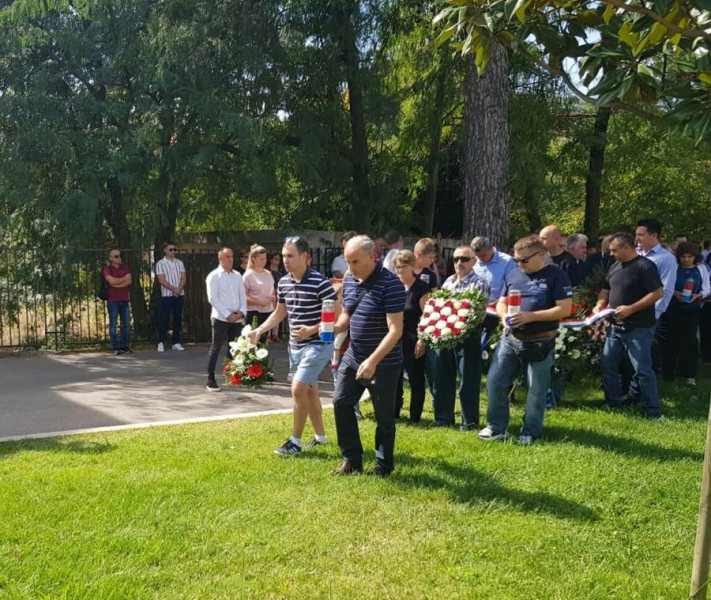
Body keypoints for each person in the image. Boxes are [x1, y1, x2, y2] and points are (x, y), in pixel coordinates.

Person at [478, 235, 572, 445]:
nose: (520, 264)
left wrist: (531, 316)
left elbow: (564, 308)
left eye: (524, 260)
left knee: (536, 388)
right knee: (495, 381)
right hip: (511, 337)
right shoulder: (513, 274)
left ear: (541, 255)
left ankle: (530, 431)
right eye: (517, 260)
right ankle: (496, 427)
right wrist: (504, 317)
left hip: (540, 340)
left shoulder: (556, 275)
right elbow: (502, 302)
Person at [250, 237, 338, 455]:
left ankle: (295, 442)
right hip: (295, 346)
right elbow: (280, 312)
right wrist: (260, 330)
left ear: (305, 257)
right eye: (283, 256)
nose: (285, 260)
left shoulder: (320, 282)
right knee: (310, 391)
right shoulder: (283, 282)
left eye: (290, 256)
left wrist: (312, 329)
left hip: (318, 343)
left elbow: (337, 314)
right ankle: (321, 438)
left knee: (298, 388)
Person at [331, 235, 406, 476]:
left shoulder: (391, 284)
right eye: (347, 262)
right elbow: (347, 315)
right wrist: (330, 328)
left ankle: (383, 466)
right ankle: (352, 459)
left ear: (372, 256)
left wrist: (373, 361)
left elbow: (396, 330)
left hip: (384, 361)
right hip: (354, 355)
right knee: (341, 403)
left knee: (384, 417)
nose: (350, 268)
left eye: (355, 262)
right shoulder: (350, 280)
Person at [594, 232, 664, 419]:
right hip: (615, 327)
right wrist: (600, 303)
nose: (611, 254)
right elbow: (606, 288)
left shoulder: (645, 266)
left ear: (627, 247)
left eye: (614, 250)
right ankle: (613, 401)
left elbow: (657, 293)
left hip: (639, 327)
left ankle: (653, 410)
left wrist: (631, 309)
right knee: (607, 363)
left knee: (642, 369)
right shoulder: (616, 265)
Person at [432, 245, 490, 430]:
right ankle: (443, 419)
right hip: (445, 336)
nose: (459, 263)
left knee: (469, 381)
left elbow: (478, 314)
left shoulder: (480, 283)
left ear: (474, 261)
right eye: (456, 259)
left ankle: (470, 421)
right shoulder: (448, 281)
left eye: (464, 259)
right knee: (442, 379)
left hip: (468, 336)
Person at [660, 242, 710, 386]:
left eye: (689, 256)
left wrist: (698, 295)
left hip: (692, 308)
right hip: (674, 307)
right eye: (683, 256)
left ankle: (689, 373)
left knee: (690, 340)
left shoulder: (700, 269)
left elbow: (706, 288)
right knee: (671, 339)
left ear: (695, 257)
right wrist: (674, 293)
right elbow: (665, 284)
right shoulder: (674, 268)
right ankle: (668, 372)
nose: (686, 260)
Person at [392, 250, 430, 423]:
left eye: (403, 267)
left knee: (415, 378)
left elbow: (427, 316)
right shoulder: (393, 286)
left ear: (412, 266)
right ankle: (394, 411)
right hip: (394, 339)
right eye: (397, 267)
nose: (400, 271)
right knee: (395, 378)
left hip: (414, 338)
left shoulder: (421, 288)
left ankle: (415, 415)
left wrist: (422, 339)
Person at [205, 247, 247, 392]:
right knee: (215, 348)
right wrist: (227, 315)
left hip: (236, 317)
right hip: (220, 318)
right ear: (220, 259)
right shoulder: (214, 276)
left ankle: (233, 375)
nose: (230, 259)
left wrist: (242, 312)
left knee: (234, 348)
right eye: (227, 256)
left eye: (232, 256)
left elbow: (242, 294)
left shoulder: (237, 275)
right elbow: (213, 299)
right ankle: (210, 379)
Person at [471, 235, 516, 339]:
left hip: (496, 312)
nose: (481, 259)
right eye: (478, 256)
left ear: (491, 248)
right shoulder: (475, 261)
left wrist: (497, 303)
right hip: (475, 310)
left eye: (483, 255)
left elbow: (512, 286)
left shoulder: (508, 262)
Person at [155, 241, 186, 352]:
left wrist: (179, 289)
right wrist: (174, 289)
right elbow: (161, 280)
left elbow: (183, 277)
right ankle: (161, 341)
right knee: (164, 318)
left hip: (179, 294)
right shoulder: (160, 263)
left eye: (174, 249)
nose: (173, 251)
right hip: (167, 295)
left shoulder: (179, 262)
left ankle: (176, 341)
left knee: (178, 317)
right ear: (165, 250)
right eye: (170, 249)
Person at [104, 249, 133, 355]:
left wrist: (117, 283)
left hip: (124, 299)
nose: (119, 258)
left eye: (119, 256)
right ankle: (116, 347)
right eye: (116, 256)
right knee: (113, 324)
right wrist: (122, 279)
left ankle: (124, 346)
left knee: (126, 324)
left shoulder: (125, 268)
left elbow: (129, 281)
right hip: (113, 300)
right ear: (111, 258)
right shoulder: (107, 269)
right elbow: (111, 282)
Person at [243, 244, 275, 337]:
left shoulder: (268, 273)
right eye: (261, 259)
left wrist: (273, 297)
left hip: (267, 311)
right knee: (252, 341)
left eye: (265, 258)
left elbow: (272, 290)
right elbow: (243, 297)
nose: (264, 261)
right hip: (254, 313)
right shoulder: (248, 275)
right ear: (254, 259)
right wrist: (260, 302)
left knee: (263, 341)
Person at [268, 252, 287, 342]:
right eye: (275, 259)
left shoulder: (281, 271)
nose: (278, 261)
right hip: (270, 294)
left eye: (279, 259)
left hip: (279, 294)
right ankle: (268, 336)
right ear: (271, 259)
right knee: (269, 315)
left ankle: (275, 335)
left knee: (277, 314)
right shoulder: (268, 271)